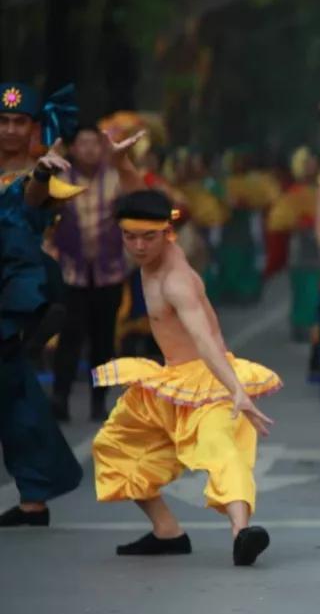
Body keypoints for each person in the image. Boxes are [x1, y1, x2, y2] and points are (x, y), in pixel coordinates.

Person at [90, 189, 280, 565]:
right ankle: (167, 531)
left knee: (221, 449)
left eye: (149, 236)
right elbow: (141, 201)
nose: (139, 246)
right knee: (114, 448)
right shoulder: (153, 246)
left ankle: (242, 534)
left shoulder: (176, 279)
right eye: (131, 237)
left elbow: (205, 340)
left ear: (167, 233)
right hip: (168, 383)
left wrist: (236, 391)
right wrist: (121, 161)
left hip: (210, 378)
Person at [0, 81, 85, 527]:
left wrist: (40, 174)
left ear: (33, 127)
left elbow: (35, 201)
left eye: (19, 121)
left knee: (13, 389)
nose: (10, 129)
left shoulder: (41, 171)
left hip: (16, 292)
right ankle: (35, 497)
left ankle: (37, 493)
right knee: (16, 392)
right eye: (3, 120)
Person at [50, 125, 136, 422]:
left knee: (103, 341)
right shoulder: (58, 181)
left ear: (102, 148)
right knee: (69, 338)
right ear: (72, 149)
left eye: (94, 144)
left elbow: (135, 212)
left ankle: (99, 403)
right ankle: (59, 400)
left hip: (108, 274)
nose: (88, 149)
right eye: (82, 143)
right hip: (71, 275)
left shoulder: (114, 180)